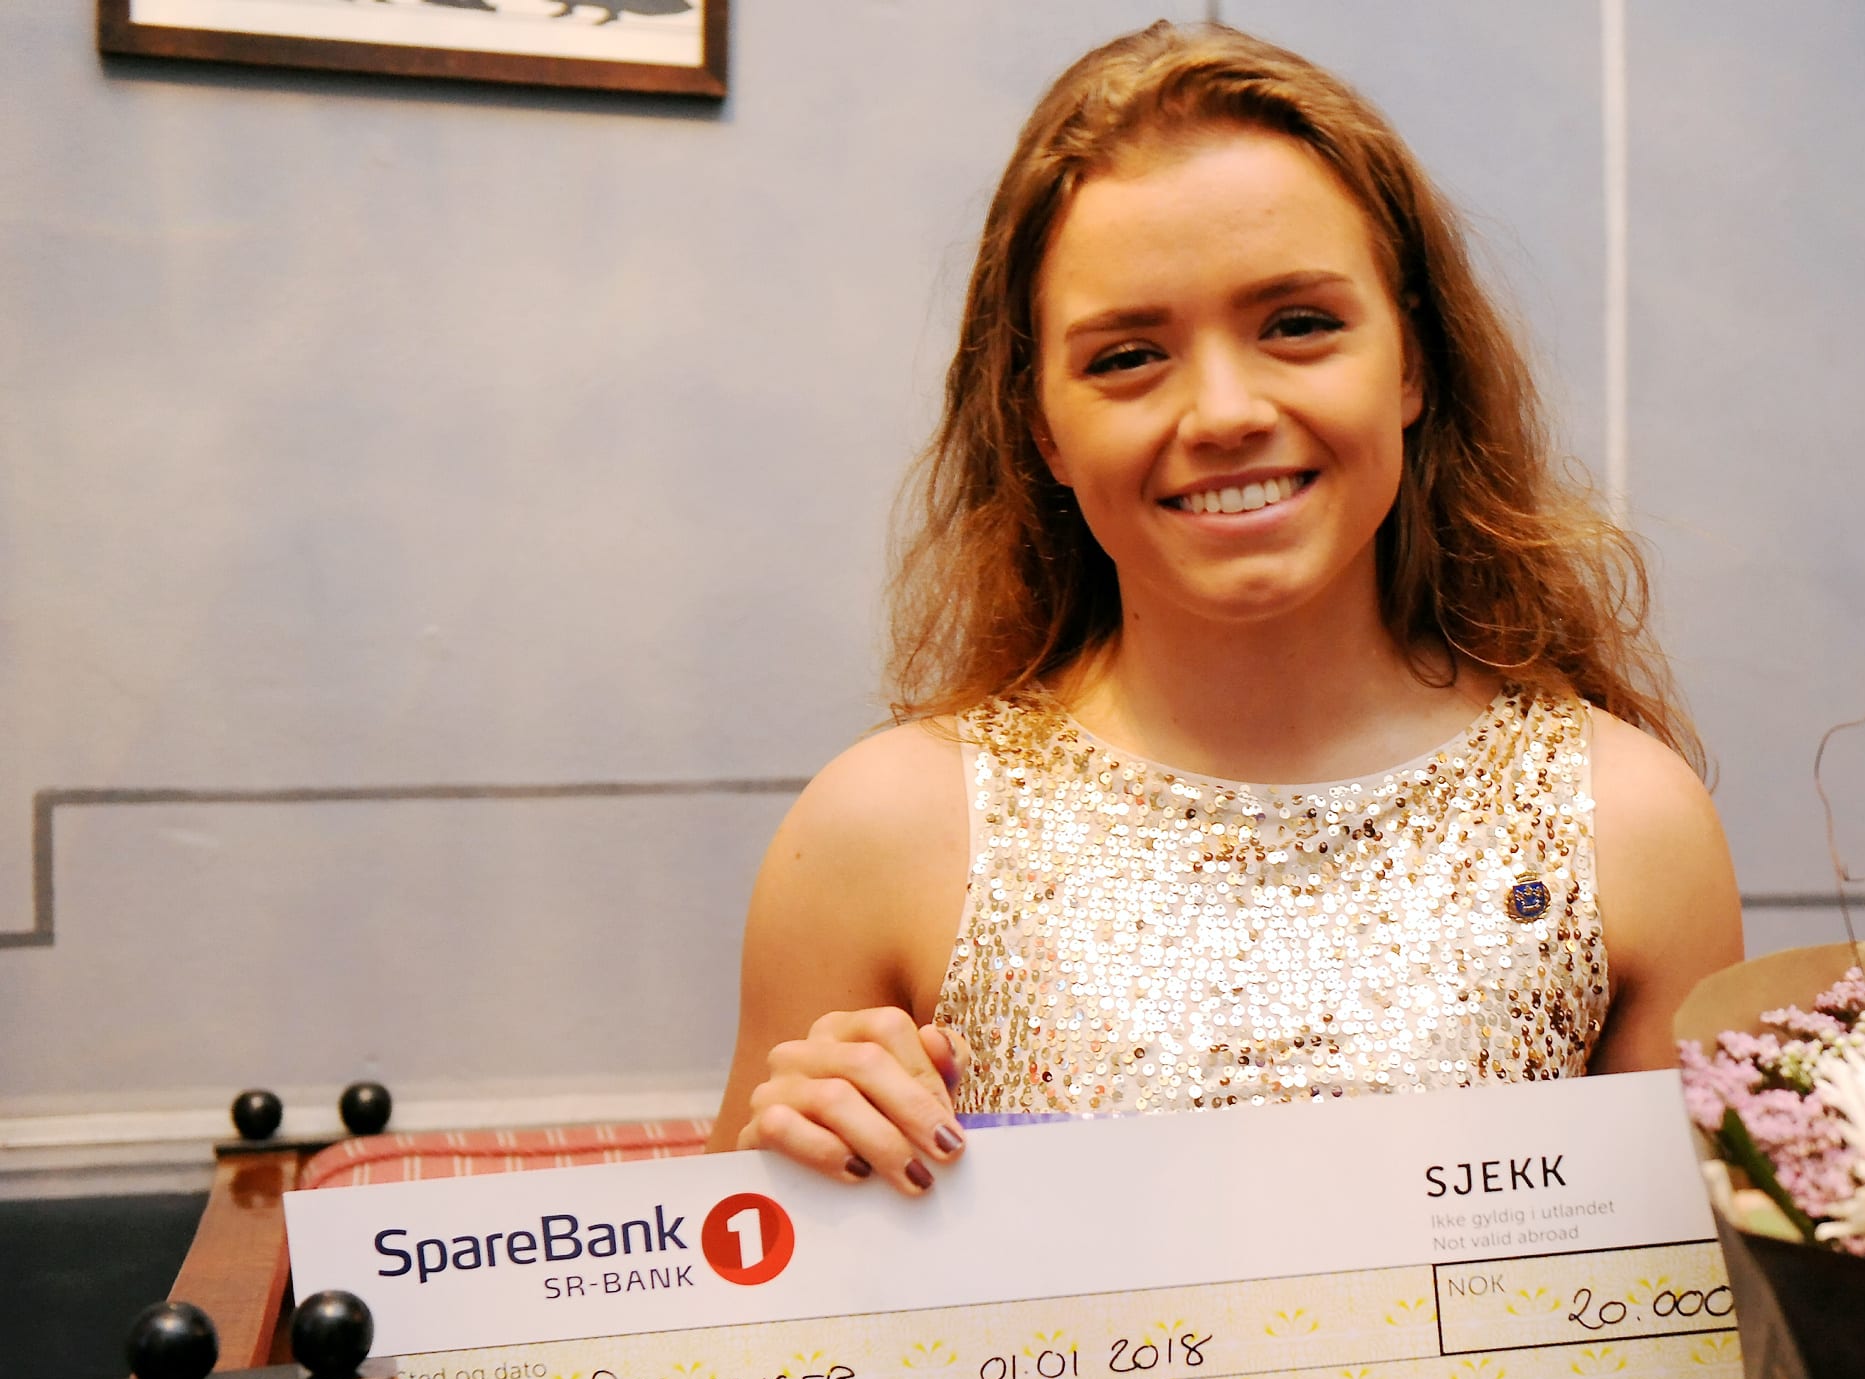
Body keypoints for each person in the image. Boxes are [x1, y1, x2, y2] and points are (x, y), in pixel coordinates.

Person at [708, 22, 1742, 1193]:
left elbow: (1691, 1301)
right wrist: (798, 1177)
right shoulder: (877, 833)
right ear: (1040, 426)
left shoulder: (1630, 826)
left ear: (1411, 363)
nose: (1223, 413)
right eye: (1126, 356)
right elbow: (737, 1290)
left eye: (1297, 325)